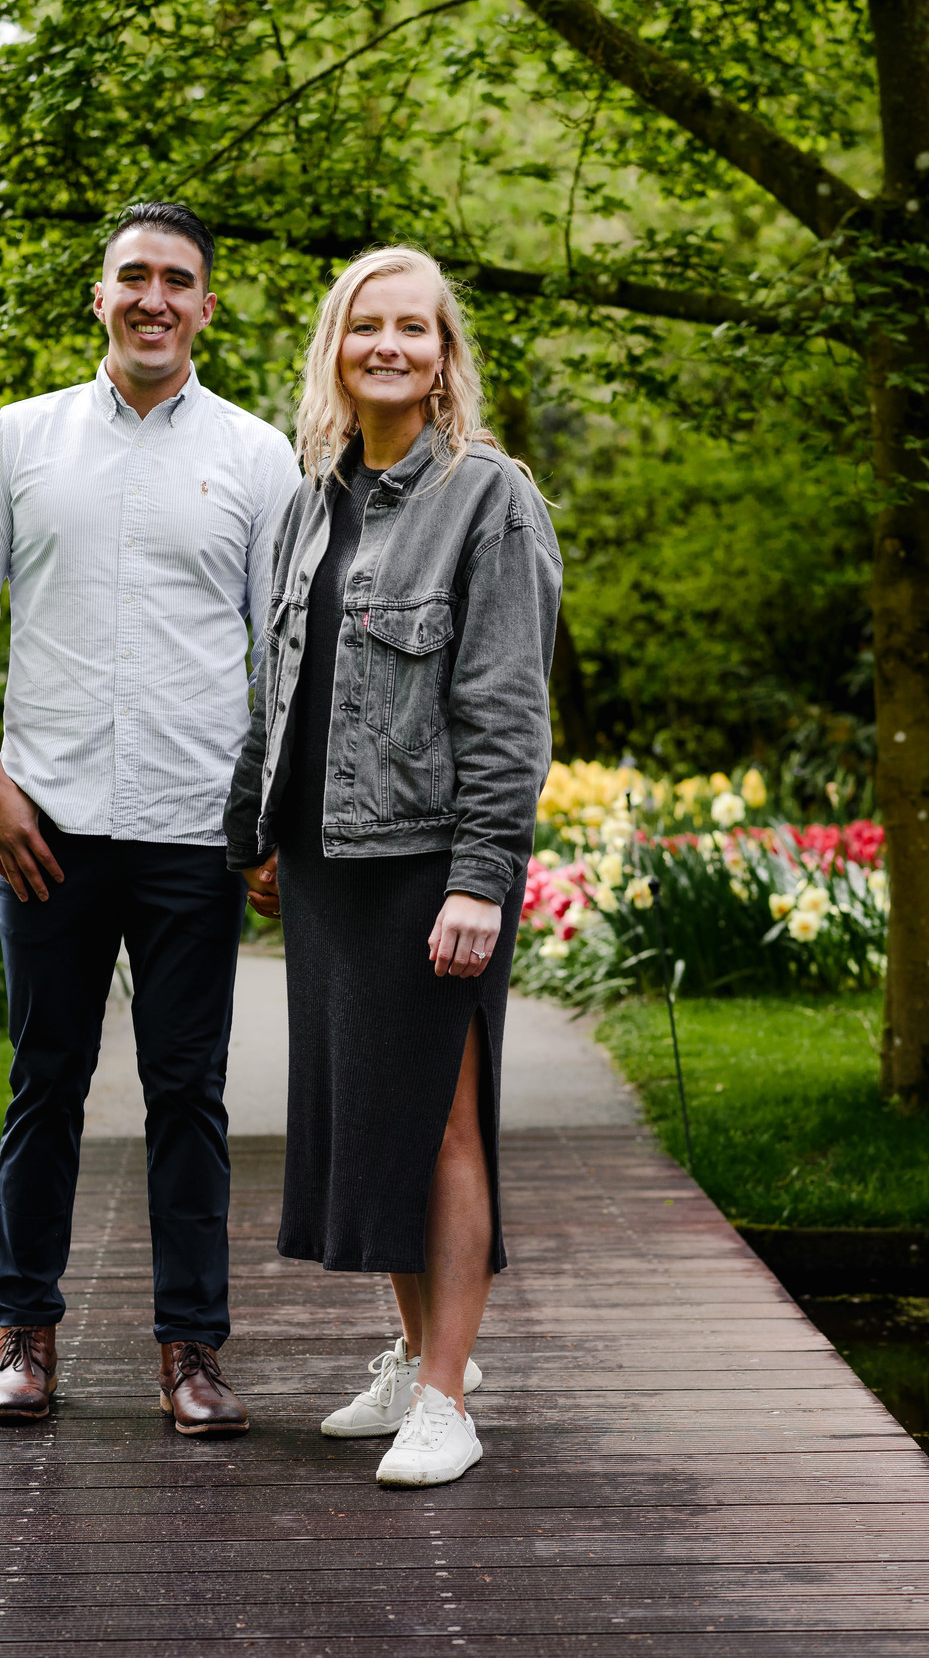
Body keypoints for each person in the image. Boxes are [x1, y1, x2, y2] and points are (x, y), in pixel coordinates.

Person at [0, 200, 298, 1433]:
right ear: (98, 296)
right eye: (131, 276)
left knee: (189, 1093)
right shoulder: (19, 442)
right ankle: (25, 1337)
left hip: (195, 827)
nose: (152, 298)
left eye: (176, 281)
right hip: (49, 826)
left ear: (206, 306)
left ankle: (192, 1353)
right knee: (47, 1084)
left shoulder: (255, 456)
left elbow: (283, 657)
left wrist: (270, 822)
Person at [224, 246, 562, 1487]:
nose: (389, 347)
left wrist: (482, 876)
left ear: (444, 355)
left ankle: (447, 1397)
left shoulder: (491, 499)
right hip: (326, 863)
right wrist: (255, 829)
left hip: (430, 862)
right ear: (337, 345)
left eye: (413, 329)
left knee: (443, 1128)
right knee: (369, 1126)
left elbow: (507, 710)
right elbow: (279, 685)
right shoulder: (313, 497)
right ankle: (417, 1353)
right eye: (368, 326)